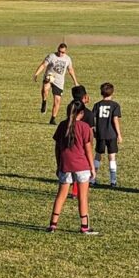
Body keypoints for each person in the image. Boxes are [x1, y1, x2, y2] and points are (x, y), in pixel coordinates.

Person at [48, 101, 98, 234]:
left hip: (65, 164)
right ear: (81, 113)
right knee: (83, 197)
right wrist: (92, 167)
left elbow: (57, 148)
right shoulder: (84, 127)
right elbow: (88, 149)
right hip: (81, 165)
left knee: (61, 195)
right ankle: (84, 226)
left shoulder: (62, 125)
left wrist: (59, 164)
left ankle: (53, 225)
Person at [33, 43, 78, 125]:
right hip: (49, 77)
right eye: (59, 51)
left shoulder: (68, 59)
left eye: (63, 52)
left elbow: (70, 70)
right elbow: (43, 65)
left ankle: (52, 119)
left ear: (66, 51)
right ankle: (44, 101)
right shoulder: (51, 56)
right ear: (57, 49)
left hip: (59, 82)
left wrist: (75, 82)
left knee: (57, 101)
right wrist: (36, 74)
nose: (61, 54)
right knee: (45, 89)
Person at [92, 82, 122, 187]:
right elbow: (115, 120)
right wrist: (119, 134)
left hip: (100, 134)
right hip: (111, 134)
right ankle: (113, 181)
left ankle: (93, 179)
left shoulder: (97, 105)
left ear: (101, 93)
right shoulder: (115, 105)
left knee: (98, 155)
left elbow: (93, 119)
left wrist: (94, 131)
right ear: (112, 93)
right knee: (112, 156)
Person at [68, 85, 94, 199]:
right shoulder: (88, 114)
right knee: (83, 167)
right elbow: (91, 131)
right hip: (84, 142)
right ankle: (79, 190)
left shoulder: (71, 108)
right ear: (85, 97)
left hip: (71, 141)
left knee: (74, 167)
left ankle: (74, 190)